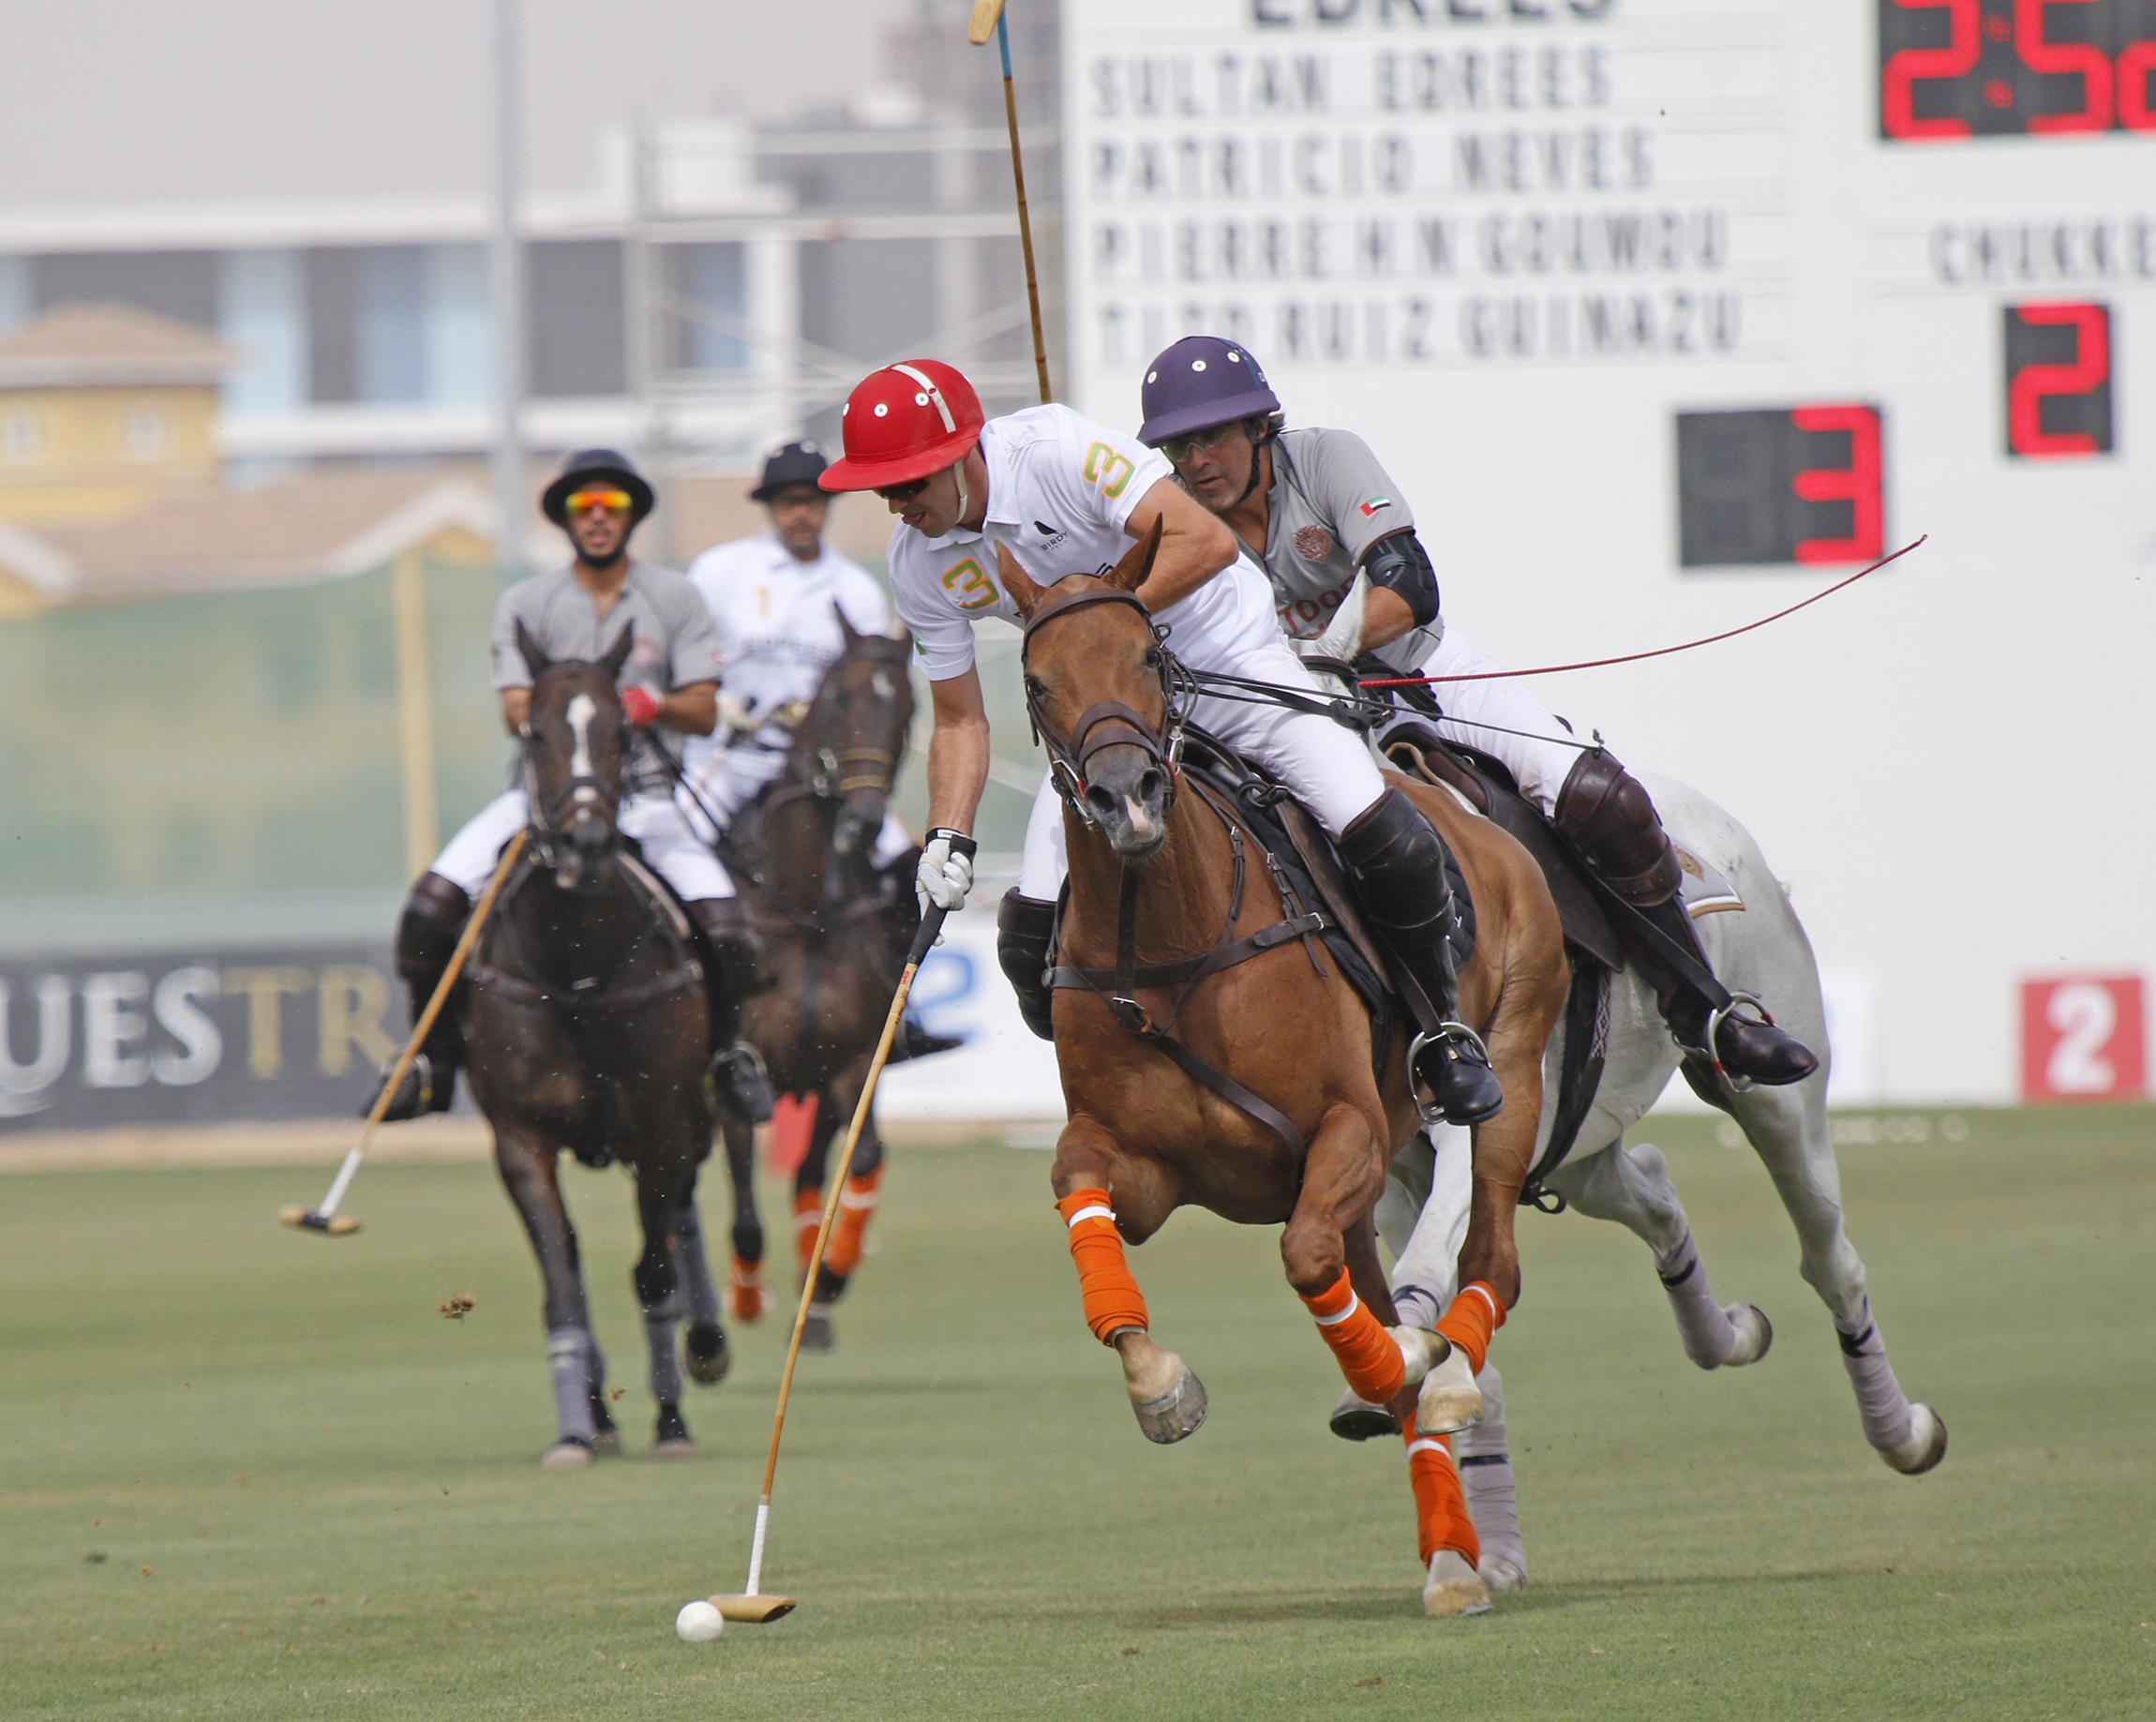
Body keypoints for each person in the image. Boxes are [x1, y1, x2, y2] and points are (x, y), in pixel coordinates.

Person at [814, 359, 1503, 1126]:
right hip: (1104, 729)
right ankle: (1131, 1087)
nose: (897, 505)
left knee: (1388, 835)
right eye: (883, 490)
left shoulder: (1059, 452)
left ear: (961, 453)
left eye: (909, 484)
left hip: (1231, 668)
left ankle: (1443, 1034)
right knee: (1026, 938)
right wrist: (949, 833)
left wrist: (1098, 628)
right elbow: (959, 719)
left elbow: (1203, 541)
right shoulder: (920, 565)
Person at [1133, 335, 1818, 1088]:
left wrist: (1324, 652)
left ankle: (1706, 1012)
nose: (1197, 460)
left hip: (1418, 669)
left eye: (1213, 436)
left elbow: (1406, 581)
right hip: (1293, 719)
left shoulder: (1325, 458)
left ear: (1260, 426)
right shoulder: (1179, 525)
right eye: (1177, 447)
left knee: (1593, 795)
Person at [363, 448, 773, 1125]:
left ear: (632, 516)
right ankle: (429, 1060)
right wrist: (588, 707)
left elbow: (702, 706)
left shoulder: (676, 598)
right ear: (567, 520)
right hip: (542, 800)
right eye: (585, 508)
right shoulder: (527, 603)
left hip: (644, 800)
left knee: (730, 927)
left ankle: (729, 1055)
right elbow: (516, 709)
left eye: (611, 506)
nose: (599, 519)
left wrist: (653, 706)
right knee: (429, 908)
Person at [678, 443, 953, 1047]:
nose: (801, 514)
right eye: (788, 502)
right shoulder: (721, 572)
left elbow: (872, 684)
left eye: (811, 502)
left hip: (820, 776)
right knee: (671, 856)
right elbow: (687, 655)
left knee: (908, 871)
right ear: (770, 507)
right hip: (729, 759)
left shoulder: (853, 588)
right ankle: (683, 1010)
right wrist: (718, 699)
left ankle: (897, 1015)